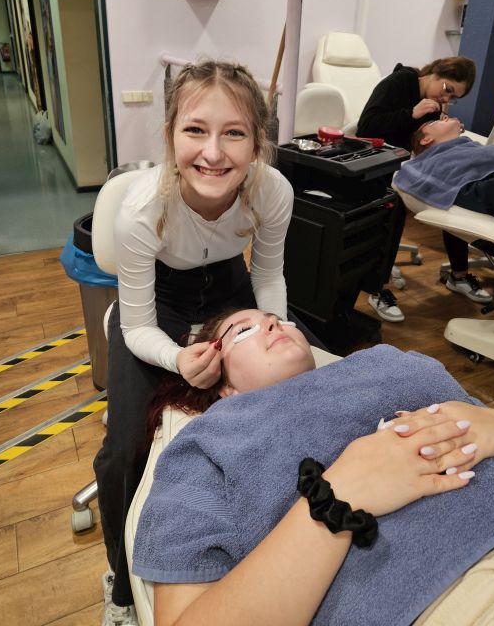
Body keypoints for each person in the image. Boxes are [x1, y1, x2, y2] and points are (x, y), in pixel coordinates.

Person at [133, 308, 494, 626]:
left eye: (277, 319)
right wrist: (335, 499)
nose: (273, 324)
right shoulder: (206, 445)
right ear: (225, 385)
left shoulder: (391, 362)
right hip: (461, 605)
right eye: (244, 330)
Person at [94, 60, 301, 626]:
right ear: (170, 136)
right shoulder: (142, 211)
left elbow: (269, 276)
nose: (213, 152)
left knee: (281, 402)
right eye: (195, 130)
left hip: (229, 285)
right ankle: (120, 584)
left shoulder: (273, 191)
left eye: (233, 132)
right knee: (124, 450)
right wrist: (178, 359)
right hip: (158, 299)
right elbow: (137, 327)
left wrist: (273, 329)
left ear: (257, 142)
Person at [356, 56, 492, 323]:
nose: (446, 99)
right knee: (393, 207)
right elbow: (366, 126)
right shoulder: (399, 83)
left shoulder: (434, 104)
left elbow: (425, 142)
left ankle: (459, 275)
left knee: (453, 196)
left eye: (454, 97)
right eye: (447, 89)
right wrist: (411, 114)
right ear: (436, 73)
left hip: (410, 164)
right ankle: (377, 289)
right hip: (376, 163)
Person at [395, 115, 494, 231]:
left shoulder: (469, 152)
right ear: (426, 139)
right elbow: (482, 196)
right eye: (435, 122)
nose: (445, 117)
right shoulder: (440, 164)